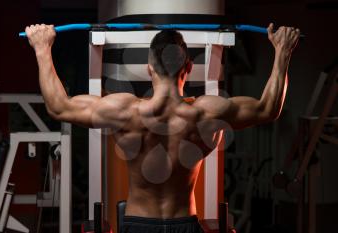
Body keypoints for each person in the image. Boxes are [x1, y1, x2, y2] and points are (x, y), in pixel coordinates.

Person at [25, 23, 300, 233]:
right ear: (188, 68)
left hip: (137, 225)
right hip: (186, 224)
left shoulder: (125, 111)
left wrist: (42, 49)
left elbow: (58, 106)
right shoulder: (207, 112)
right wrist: (282, 52)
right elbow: (268, 108)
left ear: (149, 69)